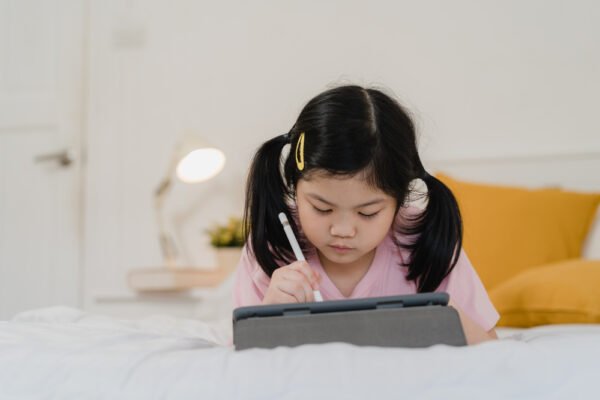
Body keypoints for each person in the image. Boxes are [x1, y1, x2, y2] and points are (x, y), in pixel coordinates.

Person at [232, 85, 499, 344]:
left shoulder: (426, 241)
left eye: (368, 213)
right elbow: (245, 364)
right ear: (294, 187)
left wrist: (444, 315)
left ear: (399, 201)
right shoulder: (270, 248)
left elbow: (490, 347)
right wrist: (269, 316)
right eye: (322, 208)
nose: (343, 230)